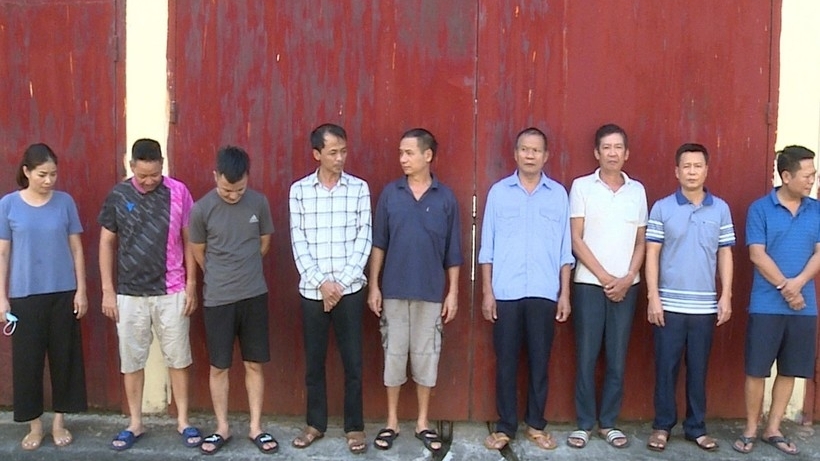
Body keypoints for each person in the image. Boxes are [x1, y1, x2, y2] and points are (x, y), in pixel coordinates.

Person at [98, 138, 201, 451]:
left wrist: (192, 285)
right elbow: (106, 243)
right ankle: (135, 422)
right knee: (132, 360)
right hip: (129, 294)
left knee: (178, 358)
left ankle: (183, 420)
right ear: (131, 166)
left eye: (154, 174)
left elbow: (190, 240)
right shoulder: (118, 195)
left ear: (162, 165)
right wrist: (107, 291)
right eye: (142, 175)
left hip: (172, 290)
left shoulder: (179, 192)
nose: (148, 181)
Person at [367, 128, 462, 452]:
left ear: (427, 155)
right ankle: (392, 421)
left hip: (431, 292)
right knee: (393, 357)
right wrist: (374, 285)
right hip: (393, 290)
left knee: (426, 358)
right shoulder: (390, 194)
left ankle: (422, 421)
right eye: (400, 153)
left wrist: (453, 293)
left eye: (409, 153)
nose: (403, 159)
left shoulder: (445, 198)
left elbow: (453, 252)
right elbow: (379, 243)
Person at [479, 127, 574, 452]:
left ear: (546, 156)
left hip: (544, 292)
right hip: (506, 291)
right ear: (515, 154)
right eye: (524, 149)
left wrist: (565, 294)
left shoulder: (558, 195)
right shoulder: (498, 193)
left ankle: (536, 424)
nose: (529, 155)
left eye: (536, 150)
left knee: (539, 361)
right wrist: (487, 292)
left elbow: (564, 250)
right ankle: (505, 426)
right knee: (506, 362)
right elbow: (487, 247)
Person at [645, 143, 734, 452]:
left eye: (698, 166)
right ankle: (662, 427)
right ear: (677, 171)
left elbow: (725, 253)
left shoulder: (720, 209)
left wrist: (726, 295)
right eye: (686, 166)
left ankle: (696, 427)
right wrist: (653, 297)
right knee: (665, 369)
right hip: (669, 305)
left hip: (704, 307)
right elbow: (652, 254)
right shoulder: (662, 208)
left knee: (698, 370)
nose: (692, 172)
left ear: (706, 170)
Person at [289, 123, 371, 455]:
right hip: (313, 291)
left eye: (343, 151)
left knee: (353, 362)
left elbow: (364, 238)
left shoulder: (359, 189)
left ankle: (354, 426)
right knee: (314, 362)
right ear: (317, 154)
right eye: (333, 152)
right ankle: (315, 423)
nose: (340, 158)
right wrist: (322, 284)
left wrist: (340, 285)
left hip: (349, 291)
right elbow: (298, 241)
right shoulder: (299, 191)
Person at [189, 146, 277, 455]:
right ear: (216, 176)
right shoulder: (201, 209)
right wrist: (220, 272)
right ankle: (222, 427)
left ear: (247, 179)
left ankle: (256, 427)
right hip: (219, 298)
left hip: (254, 295)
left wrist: (244, 267)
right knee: (219, 366)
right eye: (227, 189)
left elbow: (264, 243)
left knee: (254, 364)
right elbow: (198, 251)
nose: (233, 195)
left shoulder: (259, 203)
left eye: (239, 189)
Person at [0, 143, 88, 450]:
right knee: (28, 363)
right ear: (26, 172)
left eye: (53, 174)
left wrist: (81, 290)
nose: (49, 180)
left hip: (63, 293)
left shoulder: (65, 202)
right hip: (24, 295)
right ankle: (35, 425)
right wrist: (2, 298)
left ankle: (59, 421)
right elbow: (2, 254)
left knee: (64, 359)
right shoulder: (8, 205)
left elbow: (76, 248)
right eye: (42, 174)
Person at [734, 145, 820, 456]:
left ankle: (773, 428)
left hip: (804, 306)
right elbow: (757, 254)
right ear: (786, 176)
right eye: (806, 175)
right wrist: (786, 287)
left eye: (813, 174)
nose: (811, 180)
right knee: (757, 369)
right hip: (766, 304)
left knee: (790, 369)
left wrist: (798, 285)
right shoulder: (760, 209)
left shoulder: (816, 210)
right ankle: (750, 428)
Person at [566, 124, 647, 449]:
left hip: (627, 287)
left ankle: (609, 422)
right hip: (589, 285)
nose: (613, 153)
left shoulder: (637, 191)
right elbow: (576, 239)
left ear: (626, 153)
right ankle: (585, 423)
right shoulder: (582, 187)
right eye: (606, 148)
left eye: (618, 148)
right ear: (596, 153)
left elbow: (641, 241)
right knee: (586, 356)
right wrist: (603, 276)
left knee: (617, 356)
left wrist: (628, 277)